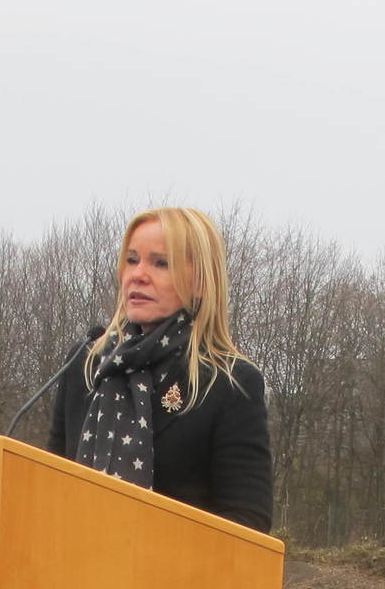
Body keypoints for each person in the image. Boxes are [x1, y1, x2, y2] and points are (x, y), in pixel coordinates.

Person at [47, 207, 273, 532]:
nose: (138, 275)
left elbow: (247, 524)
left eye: (160, 263)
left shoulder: (230, 383)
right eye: (132, 259)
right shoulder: (84, 365)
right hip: (73, 573)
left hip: (177, 579)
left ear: (200, 282)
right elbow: (48, 489)